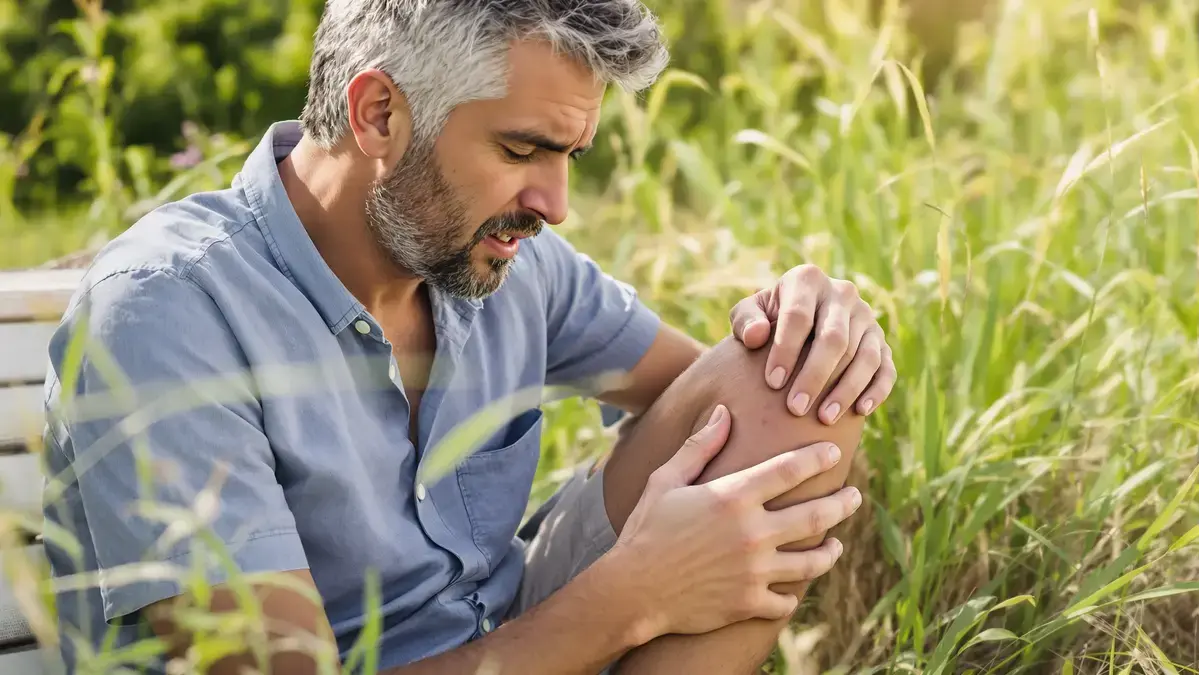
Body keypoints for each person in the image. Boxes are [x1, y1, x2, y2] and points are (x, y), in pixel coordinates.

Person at [40, 1, 897, 673]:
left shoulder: (503, 260)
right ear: (377, 113)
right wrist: (634, 595)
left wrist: (811, 328)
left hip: (526, 640)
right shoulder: (163, 313)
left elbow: (730, 397)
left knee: (793, 388)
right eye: (523, 148)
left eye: (572, 156)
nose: (555, 204)